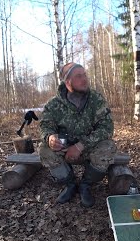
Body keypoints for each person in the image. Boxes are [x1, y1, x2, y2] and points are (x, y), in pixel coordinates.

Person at [38, 62, 117, 208]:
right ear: (68, 82)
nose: (85, 79)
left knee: (108, 146)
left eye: (85, 75)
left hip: (89, 147)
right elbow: (45, 126)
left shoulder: (96, 99)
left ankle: (85, 185)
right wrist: (50, 137)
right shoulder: (54, 104)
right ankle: (70, 184)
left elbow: (107, 128)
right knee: (44, 149)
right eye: (79, 76)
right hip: (64, 148)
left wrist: (81, 146)